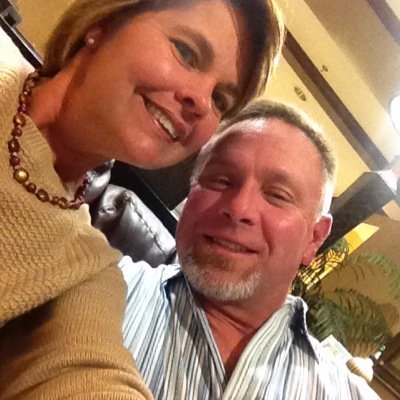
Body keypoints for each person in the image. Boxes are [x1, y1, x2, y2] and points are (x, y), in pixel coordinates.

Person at [0, 0, 284, 398]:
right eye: (186, 52)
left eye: (220, 99)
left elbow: (88, 372)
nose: (202, 101)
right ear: (102, 24)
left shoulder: (86, 269)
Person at [121, 99, 380, 399]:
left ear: (314, 238)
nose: (239, 208)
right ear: (191, 193)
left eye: (277, 195)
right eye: (222, 180)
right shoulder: (99, 286)